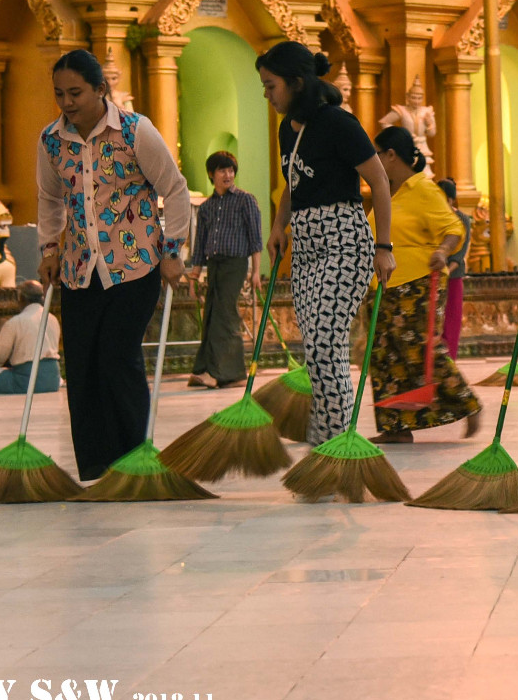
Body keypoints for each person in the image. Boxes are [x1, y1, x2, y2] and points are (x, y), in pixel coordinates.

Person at [35, 50, 193, 480]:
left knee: (118, 356)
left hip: (136, 263)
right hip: (78, 269)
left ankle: (134, 457)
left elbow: (174, 191)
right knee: (82, 363)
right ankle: (95, 464)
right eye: (59, 94)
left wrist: (173, 251)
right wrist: (49, 249)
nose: (67, 103)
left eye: (76, 93)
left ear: (100, 90)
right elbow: (50, 199)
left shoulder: (134, 131)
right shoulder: (52, 140)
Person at [260, 41, 394, 447]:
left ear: (297, 83)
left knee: (325, 346)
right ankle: (325, 439)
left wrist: (383, 246)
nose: (267, 94)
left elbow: (380, 182)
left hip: (344, 241)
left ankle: (339, 442)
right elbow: (292, 183)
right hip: (304, 245)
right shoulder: (288, 129)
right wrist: (279, 225)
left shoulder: (339, 123)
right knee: (315, 350)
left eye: (271, 86)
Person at [368, 126, 480, 443]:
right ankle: (396, 428)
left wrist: (442, 252)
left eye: (378, 153)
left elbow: (453, 227)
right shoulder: (390, 191)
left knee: (420, 350)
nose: (374, 159)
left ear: (391, 155)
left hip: (416, 284)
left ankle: (467, 403)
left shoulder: (424, 189)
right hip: (385, 285)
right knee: (385, 356)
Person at [187, 151, 261, 389]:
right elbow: (199, 244)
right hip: (215, 264)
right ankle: (207, 369)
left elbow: (255, 239)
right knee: (211, 313)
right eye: (222, 170)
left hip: (235, 264)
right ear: (212, 174)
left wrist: (256, 271)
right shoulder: (207, 207)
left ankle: (223, 372)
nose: (227, 175)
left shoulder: (245, 200)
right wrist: (194, 275)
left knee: (224, 313)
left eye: (230, 170)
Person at [0, 283, 62, 394]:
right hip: (53, 381)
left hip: (27, 382)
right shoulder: (53, 319)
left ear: (22, 298)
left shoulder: (16, 321)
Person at [434, 177, 472, 361]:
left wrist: (446, 271)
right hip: (433, 276)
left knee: (452, 320)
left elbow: (459, 253)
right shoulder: (433, 217)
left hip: (453, 275)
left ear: (451, 199)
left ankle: (449, 359)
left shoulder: (462, 219)